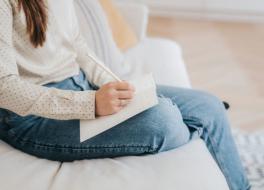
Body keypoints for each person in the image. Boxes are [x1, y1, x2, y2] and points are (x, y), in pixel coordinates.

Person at [0, 0, 250, 189]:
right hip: (31, 119)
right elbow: (4, 88)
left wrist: (116, 88)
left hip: (82, 85)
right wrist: (90, 104)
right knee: (164, 119)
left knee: (209, 106)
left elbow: (77, 45)